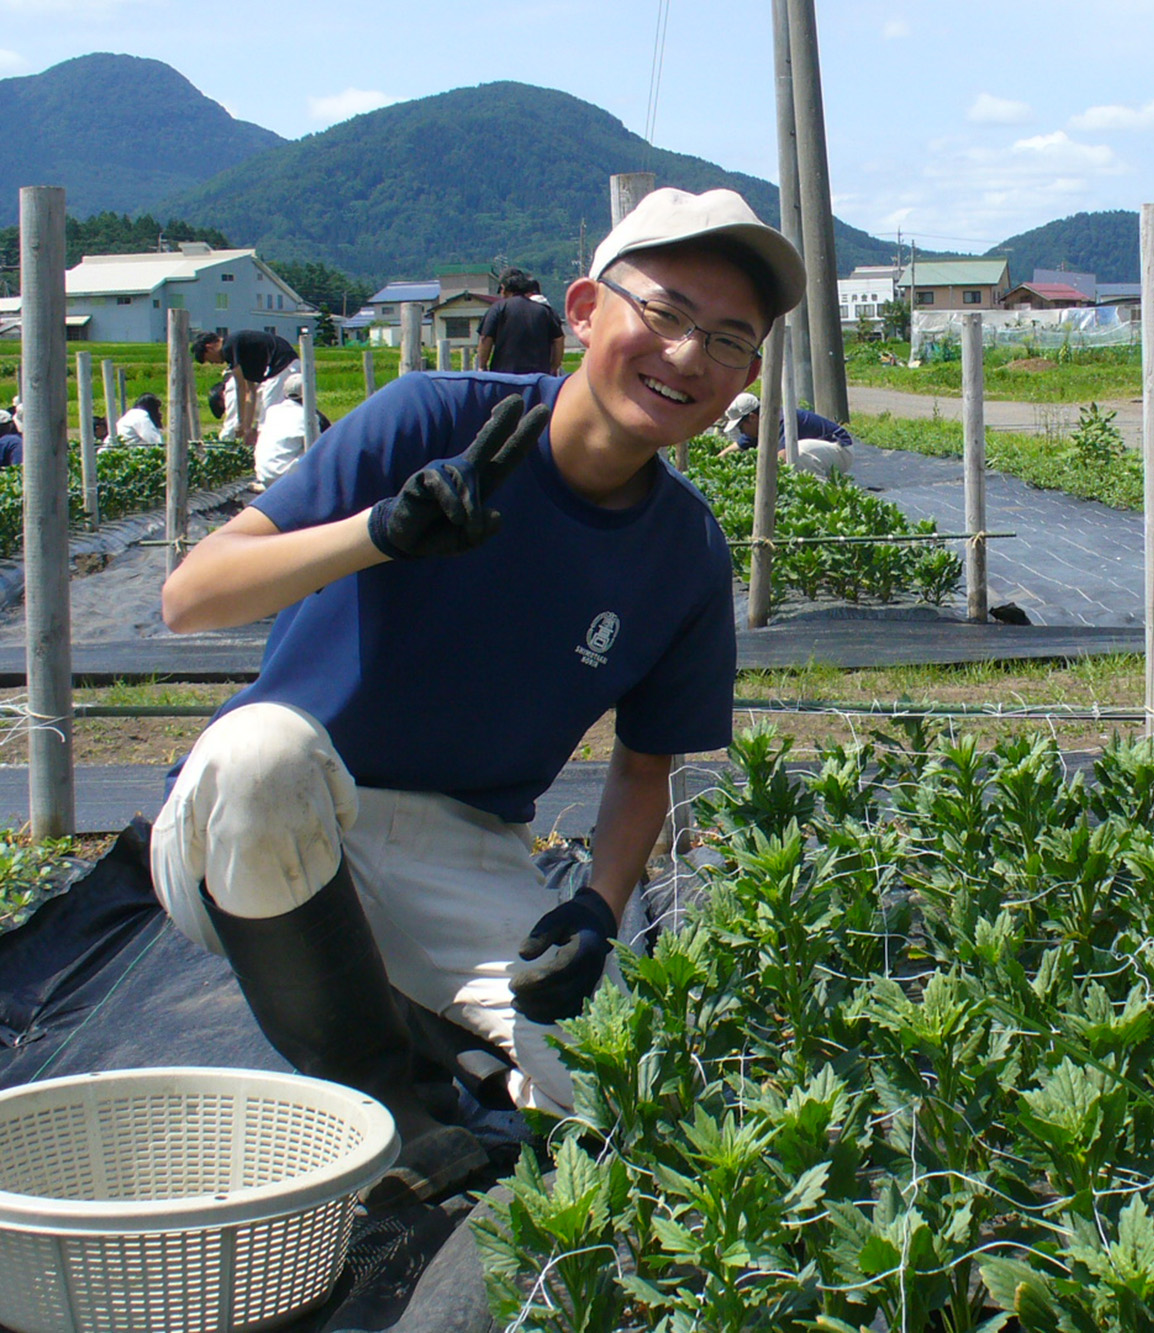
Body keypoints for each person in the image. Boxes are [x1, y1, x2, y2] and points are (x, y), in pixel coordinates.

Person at [149, 187, 805, 1200]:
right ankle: (399, 1099)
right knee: (262, 751)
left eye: (726, 340)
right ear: (585, 310)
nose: (687, 357)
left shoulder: (683, 553)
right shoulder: (434, 423)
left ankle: (431, 1023)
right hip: (265, 822)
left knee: (637, 1090)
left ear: (746, 378)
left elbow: (645, 764)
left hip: (457, 847)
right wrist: (379, 532)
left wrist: (597, 906)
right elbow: (191, 597)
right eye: (666, 313)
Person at [193, 328, 298, 453]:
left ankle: (271, 454)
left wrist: (240, 424)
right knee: (269, 416)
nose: (214, 363)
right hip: (287, 364)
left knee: (269, 416)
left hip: (282, 365)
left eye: (210, 359)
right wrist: (245, 427)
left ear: (209, 347)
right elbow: (250, 391)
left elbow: (241, 388)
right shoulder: (239, 346)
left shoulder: (229, 347)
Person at [717, 392, 854, 477]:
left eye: (741, 427)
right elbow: (738, 446)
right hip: (823, 453)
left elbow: (781, 458)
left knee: (795, 452)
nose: (742, 432)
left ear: (752, 418)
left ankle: (820, 488)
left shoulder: (781, 420)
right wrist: (717, 460)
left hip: (840, 449)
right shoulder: (762, 423)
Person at [477, 268, 566, 376]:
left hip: (504, 376)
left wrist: (482, 366)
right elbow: (559, 339)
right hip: (537, 378)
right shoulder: (544, 311)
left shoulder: (497, 308)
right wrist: (553, 366)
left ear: (504, 288)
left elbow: (485, 338)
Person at [251, 373, 329, 486]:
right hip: (286, 477)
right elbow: (318, 448)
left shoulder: (272, 411)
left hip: (263, 475)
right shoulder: (308, 417)